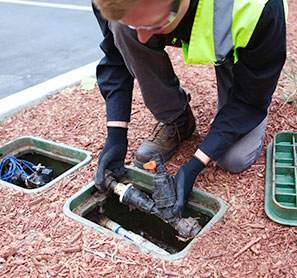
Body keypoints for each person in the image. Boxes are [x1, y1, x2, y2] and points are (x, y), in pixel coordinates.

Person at [92, 0, 287, 216]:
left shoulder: (258, 9)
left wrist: (196, 163)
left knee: (234, 157)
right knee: (121, 30)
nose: (143, 38)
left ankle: (230, 67)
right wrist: (116, 136)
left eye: (155, 24)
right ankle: (178, 119)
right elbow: (115, 54)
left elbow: (251, 99)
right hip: (196, 20)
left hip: (241, 46)